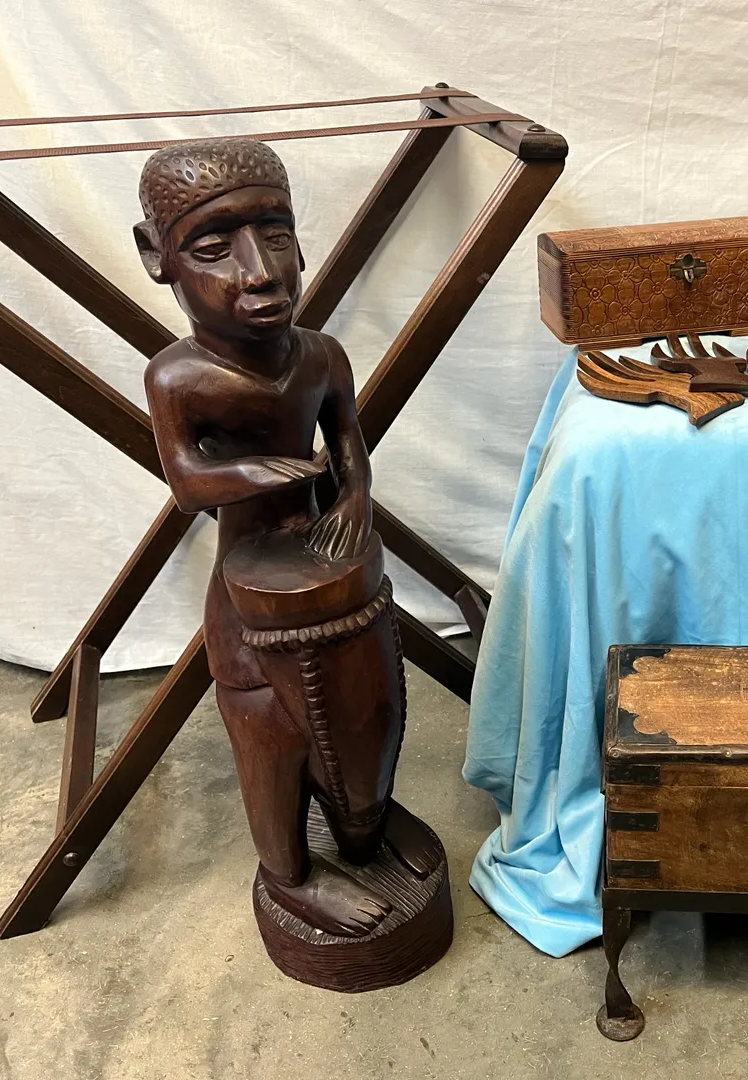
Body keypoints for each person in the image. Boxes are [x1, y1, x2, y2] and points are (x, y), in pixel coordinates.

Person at [136, 138, 420, 936]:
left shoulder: (321, 355)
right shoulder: (178, 377)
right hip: (246, 591)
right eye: (213, 248)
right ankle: (289, 874)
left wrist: (353, 495)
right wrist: (255, 472)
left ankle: (367, 824)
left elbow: (350, 445)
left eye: (277, 235)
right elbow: (187, 484)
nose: (260, 271)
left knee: (369, 710)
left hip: (332, 562)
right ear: (158, 258)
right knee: (269, 734)